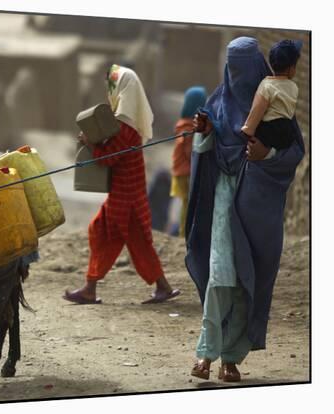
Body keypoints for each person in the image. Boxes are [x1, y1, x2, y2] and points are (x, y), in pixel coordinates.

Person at [185, 37, 304, 382]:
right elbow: (207, 146)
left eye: (243, 68)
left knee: (244, 281)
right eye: (232, 67)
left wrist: (266, 155)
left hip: (256, 206)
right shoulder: (218, 102)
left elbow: (294, 151)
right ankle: (206, 354)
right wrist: (204, 133)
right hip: (223, 198)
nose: (238, 76)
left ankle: (231, 359)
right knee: (221, 275)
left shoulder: (276, 100)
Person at [63, 64, 180, 305]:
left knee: (115, 238)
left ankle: (91, 288)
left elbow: (108, 159)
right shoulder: (127, 123)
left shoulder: (124, 126)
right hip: (128, 196)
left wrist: (90, 143)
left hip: (126, 200)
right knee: (118, 238)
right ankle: (159, 287)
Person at [241, 39, 303, 150]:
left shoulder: (266, 86)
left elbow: (257, 110)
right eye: (295, 66)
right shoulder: (294, 87)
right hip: (287, 134)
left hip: (269, 132)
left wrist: (248, 129)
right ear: (290, 69)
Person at [170, 86, 207, 238]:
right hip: (186, 172)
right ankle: (184, 234)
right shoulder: (189, 127)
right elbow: (188, 151)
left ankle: (185, 232)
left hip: (180, 170)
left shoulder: (182, 124)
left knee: (186, 204)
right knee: (187, 204)